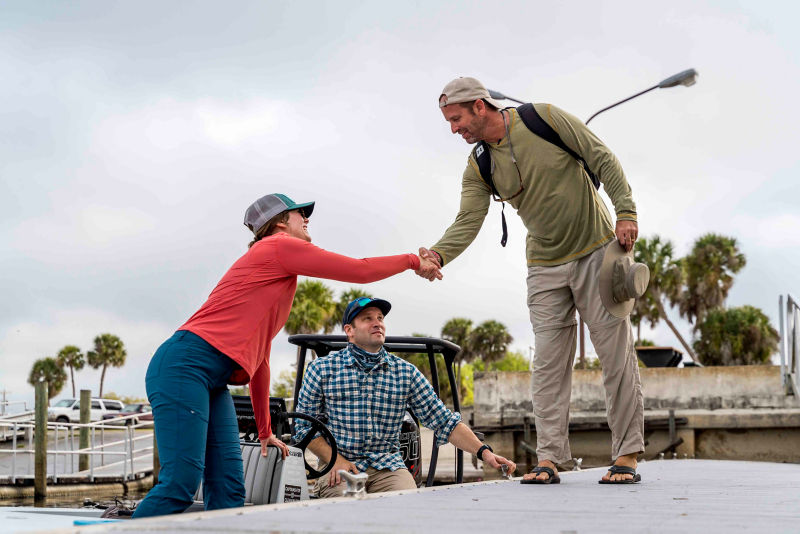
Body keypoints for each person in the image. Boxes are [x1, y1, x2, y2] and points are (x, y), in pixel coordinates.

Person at [133, 194, 442, 518]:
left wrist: (265, 431)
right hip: (185, 365)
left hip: (213, 380)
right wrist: (411, 260)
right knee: (180, 483)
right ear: (281, 222)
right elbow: (359, 270)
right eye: (300, 214)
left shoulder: (275, 275)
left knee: (228, 488)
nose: (306, 218)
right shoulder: (277, 246)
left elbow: (260, 360)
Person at [419, 77, 646, 484]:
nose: (455, 129)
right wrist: (438, 254)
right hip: (544, 263)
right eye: (449, 123)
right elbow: (469, 219)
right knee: (547, 364)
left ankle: (626, 454)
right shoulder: (479, 164)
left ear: (479, 106)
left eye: (456, 119)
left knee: (614, 356)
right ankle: (550, 458)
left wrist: (626, 211)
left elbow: (601, 157)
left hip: (597, 249)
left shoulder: (542, 117)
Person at [294, 297, 516, 497]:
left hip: (388, 467)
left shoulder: (405, 372)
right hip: (339, 465)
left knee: (410, 506)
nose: (377, 323)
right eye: (367, 318)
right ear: (350, 331)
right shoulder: (321, 369)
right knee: (346, 512)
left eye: (380, 318)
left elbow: (444, 421)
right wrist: (335, 460)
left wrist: (484, 452)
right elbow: (303, 428)